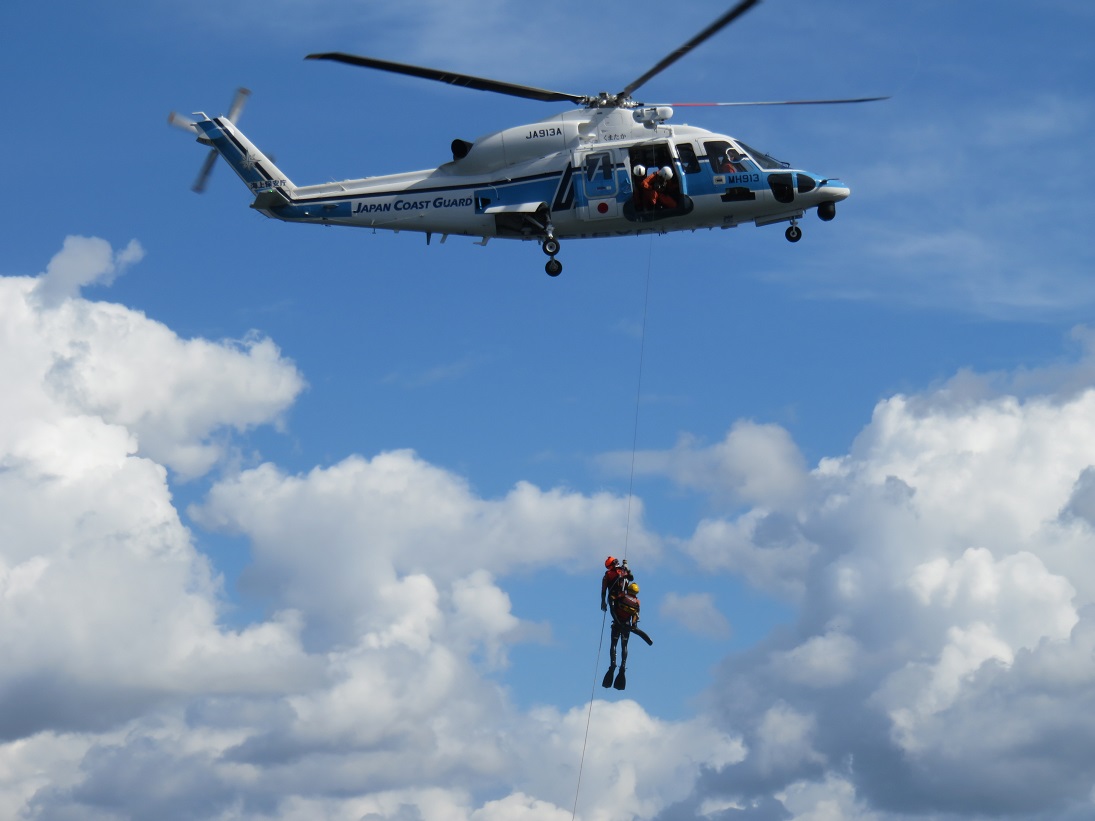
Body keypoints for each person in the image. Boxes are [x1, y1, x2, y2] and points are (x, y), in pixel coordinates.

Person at [604, 582, 642, 690]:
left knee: (614, 644)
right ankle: (623, 666)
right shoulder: (637, 602)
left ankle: (613, 663)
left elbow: (613, 599)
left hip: (617, 623)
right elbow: (636, 615)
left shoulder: (623, 596)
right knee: (624, 645)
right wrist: (634, 625)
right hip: (626, 625)